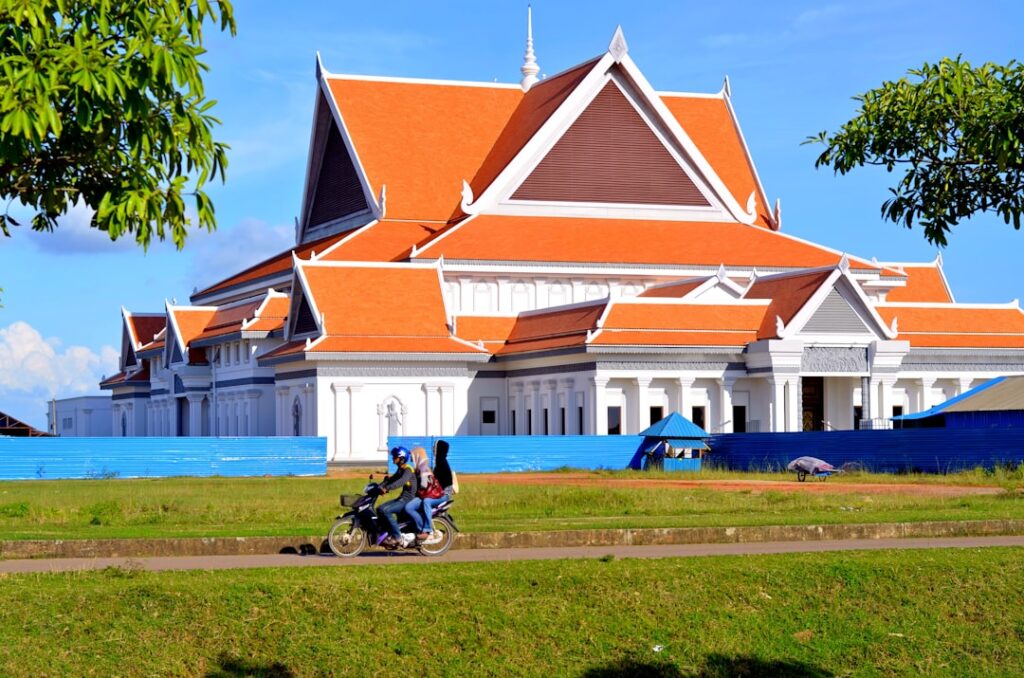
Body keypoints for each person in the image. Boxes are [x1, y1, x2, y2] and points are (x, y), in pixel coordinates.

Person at [406, 439, 455, 543]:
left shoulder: (442, 463)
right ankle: (419, 528)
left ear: (439, 449)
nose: (433, 450)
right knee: (409, 507)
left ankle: (427, 530)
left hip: (442, 495)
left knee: (427, 502)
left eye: (435, 448)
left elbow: (438, 485)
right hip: (434, 493)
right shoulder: (438, 463)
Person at [376, 446, 419, 548]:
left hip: (408, 500)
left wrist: (387, 489)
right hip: (403, 498)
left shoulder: (408, 470)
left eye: (395, 456)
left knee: (385, 510)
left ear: (402, 458)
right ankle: (389, 533)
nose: (393, 458)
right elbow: (392, 479)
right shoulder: (401, 469)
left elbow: (400, 482)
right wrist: (379, 486)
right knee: (379, 509)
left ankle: (397, 536)